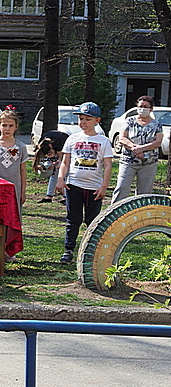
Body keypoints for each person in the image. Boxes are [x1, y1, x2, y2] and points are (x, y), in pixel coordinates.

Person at [56, 102, 114, 265]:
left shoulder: (103, 141)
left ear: (97, 120)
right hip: (73, 185)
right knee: (73, 219)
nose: (83, 122)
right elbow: (65, 162)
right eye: (81, 119)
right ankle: (68, 250)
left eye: (87, 119)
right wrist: (61, 178)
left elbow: (108, 165)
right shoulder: (72, 139)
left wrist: (104, 186)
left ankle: (90, 251)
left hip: (94, 188)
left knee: (92, 221)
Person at [0, 108, 28, 262]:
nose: (7, 129)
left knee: (12, 220)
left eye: (10, 125)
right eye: (4, 125)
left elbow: (23, 170)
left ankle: (8, 252)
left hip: (13, 190)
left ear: (16, 127)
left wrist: (22, 191)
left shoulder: (21, 147)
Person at [111, 95, 164, 204]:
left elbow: (157, 142)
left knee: (144, 194)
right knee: (122, 188)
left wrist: (142, 149)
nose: (142, 109)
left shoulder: (156, 124)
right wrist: (134, 149)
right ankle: (115, 214)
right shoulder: (129, 121)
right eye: (140, 106)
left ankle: (140, 216)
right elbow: (122, 138)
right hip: (128, 162)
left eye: (145, 107)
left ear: (151, 109)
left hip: (148, 164)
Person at [33, 130, 68, 203]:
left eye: (50, 153)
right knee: (54, 175)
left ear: (51, 147)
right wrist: (36, 165)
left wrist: (59, 163)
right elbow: (38, 153)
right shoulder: (43, 142)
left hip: (67, 151)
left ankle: (66, 197)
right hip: (57, 147)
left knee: (65, 175)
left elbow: (62, 157)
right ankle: (49, 196)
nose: (49, 155)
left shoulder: (59, 143)